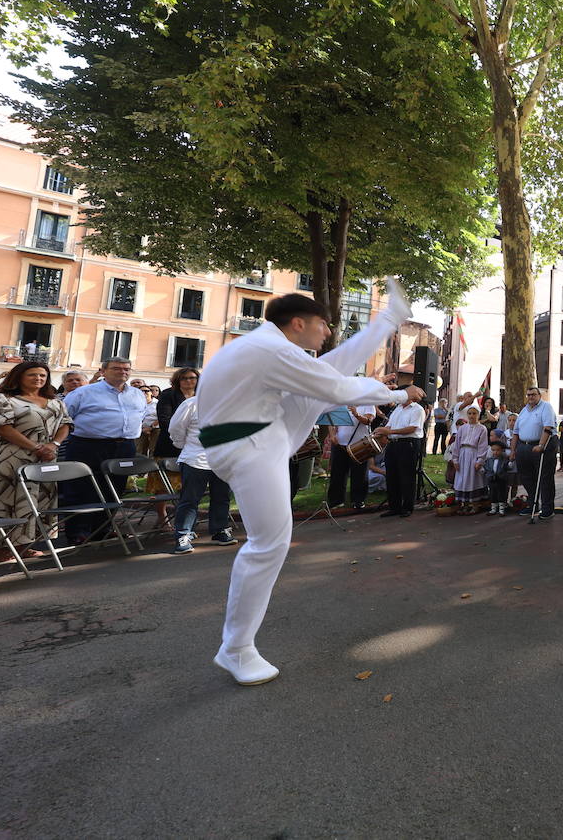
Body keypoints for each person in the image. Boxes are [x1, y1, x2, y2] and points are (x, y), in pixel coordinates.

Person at [197, 281, 422, 685]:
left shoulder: (266, 348)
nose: (328, 331)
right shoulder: (271, 350)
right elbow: (336, 387)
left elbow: (331, 372)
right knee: (269, 544)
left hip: (252, 438)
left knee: (330, 368)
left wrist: (386, 326)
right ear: (298, 323)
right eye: (323, 324)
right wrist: (400, 396)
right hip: (250, 443)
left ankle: (389, 317)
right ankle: (236, 649)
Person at [0, 362, 72, 562]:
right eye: (32, 375)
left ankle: (25, 544)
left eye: (42, 375)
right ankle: (0, 548)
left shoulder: (54, 401)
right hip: (12, 457)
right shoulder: (3, 399)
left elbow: (66, 424)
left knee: (39, 499)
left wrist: (53, 445)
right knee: (5, 500)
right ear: (19, 376)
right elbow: (3, 428)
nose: (38, 379)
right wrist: (35, 447)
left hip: (45, 457)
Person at [58, 358, 145, 546]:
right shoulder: (84, 392)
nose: (123, 372)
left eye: (126, 369)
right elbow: (64, 417)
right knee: (82, 489)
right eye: (116, 368)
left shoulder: (137, 394)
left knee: (114, 488)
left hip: (124, 446)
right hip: (88, 446)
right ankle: (78, 532)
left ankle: (102, 529)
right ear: (103, 371)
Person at [167, 392, 236, 554]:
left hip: (223, 461)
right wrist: (188, 446)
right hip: (196, 460)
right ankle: (183, 534)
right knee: (190, 500)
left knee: (222, 497)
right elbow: (176, 429)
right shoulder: (191, 404)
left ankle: (220, 530)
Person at [151, 368, 198, 529]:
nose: (188, 381)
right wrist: (185, 437)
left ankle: (185, 520)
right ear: (177, 380)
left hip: (195, 447)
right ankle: (162, 516)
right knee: (163, 485)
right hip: (169, 445)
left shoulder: (203, 396)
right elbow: (165, 420)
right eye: (184, 378)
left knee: (188, 486)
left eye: (192, 378)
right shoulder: (168, 395)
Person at [378, 389, 425, 518]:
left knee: (407, 476)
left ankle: (407, 507)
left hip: (408, 443)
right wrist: (381, 431)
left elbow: (412, 428)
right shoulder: (397, 409)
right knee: (392, 475)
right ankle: (394, 506)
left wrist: (390, 432)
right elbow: (389, 425)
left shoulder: (417, 409)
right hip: (393, 443)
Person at [513, 386, 557, 520]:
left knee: (544, 478)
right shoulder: (524, 410)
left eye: (533, 394)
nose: (530, 397)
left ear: (539, 396)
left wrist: (541, 445)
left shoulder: (546, 407)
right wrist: (513, 450)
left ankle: (548, 508)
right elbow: (515, 432)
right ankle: (532, 504)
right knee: (526, 477)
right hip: (524, 446)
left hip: (542, 446)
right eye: (528, 395)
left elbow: (548, 427)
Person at [325, 403, 376, 509]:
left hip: (360, 444)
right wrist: (332, 434)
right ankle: (336, 501)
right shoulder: (342, 402)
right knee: (337, 473)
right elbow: (332, 421)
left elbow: (369, 420)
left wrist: (356, 414)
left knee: (360, 474)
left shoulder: (368, 403)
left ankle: (358, 500)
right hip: (340, 443)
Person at [452, 405, 489, 513]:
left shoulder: (482, 428)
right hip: (463, 455)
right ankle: (465, 503)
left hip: (474, 454)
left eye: (474, 413)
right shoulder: (463, 428)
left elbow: (483, 445)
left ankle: (475, 504)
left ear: (478, 415)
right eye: (469, 413)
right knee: (463, 479)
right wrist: (455, 459)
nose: (472, 416)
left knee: (473, 479)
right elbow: (457, 444)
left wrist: (480, 460)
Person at [483, 441, 510, 515]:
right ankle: (493, 508)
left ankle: (501, 509)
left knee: (501, 493)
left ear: (502, 450)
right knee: (492, 493)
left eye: (498, 450)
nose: (495, 452)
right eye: (494, 450)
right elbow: (486, 468)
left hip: (501, 479)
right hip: (492, 479)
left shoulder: (504, 460)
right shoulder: (489, 460)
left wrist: (509, 464)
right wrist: (487, 474)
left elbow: (508, 468)